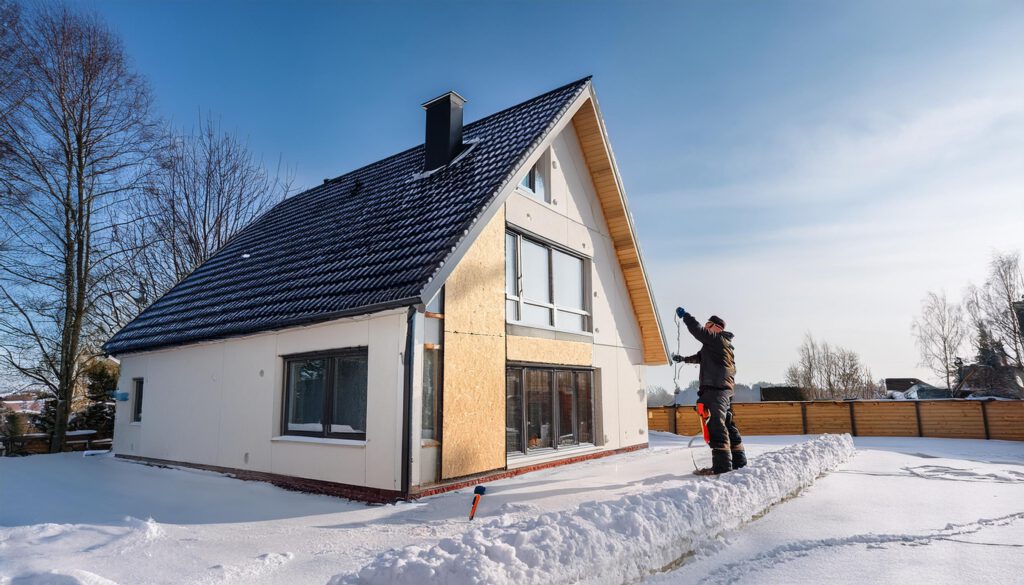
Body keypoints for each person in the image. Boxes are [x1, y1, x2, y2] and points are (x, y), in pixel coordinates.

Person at [671, 307, 745, 474]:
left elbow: (697, 331)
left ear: (716, 327)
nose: (705, 328)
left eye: (707, 325)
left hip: (715, 391)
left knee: (716, 427)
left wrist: (686, 316)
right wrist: (683, 359)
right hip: (724, 391)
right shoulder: (722, 345)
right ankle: (739, 463)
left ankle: (722, 468)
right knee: (727, 425)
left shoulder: (716, 339)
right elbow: (700, 357)